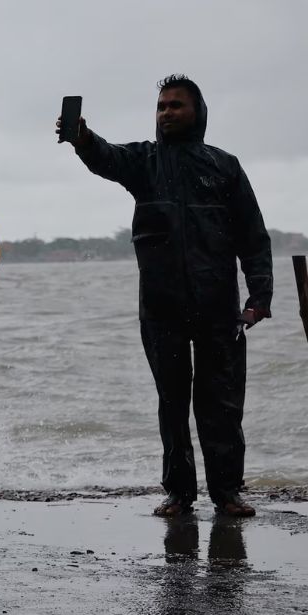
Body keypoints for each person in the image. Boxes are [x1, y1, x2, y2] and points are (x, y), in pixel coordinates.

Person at [58, 74, 272, 518]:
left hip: (218, 310)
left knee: (222, 407)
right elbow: (106, 156)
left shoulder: (225, 166)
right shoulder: (144, 162)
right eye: (161, 106)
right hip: (161, 311)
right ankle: (178, 493)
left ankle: (228, 492)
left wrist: (259, 298)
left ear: (198, 112)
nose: (167, 112)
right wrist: (81, 138)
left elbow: (253, 238)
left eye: (176, 105)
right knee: (172, 405)